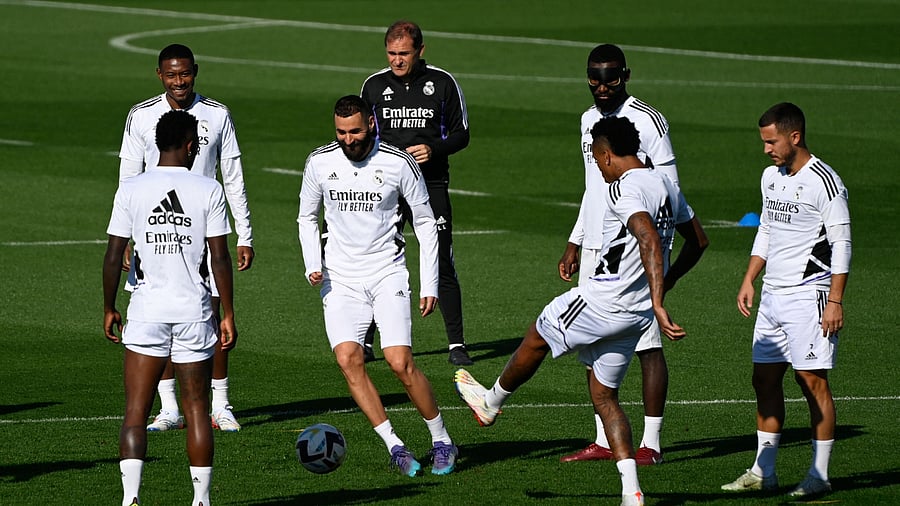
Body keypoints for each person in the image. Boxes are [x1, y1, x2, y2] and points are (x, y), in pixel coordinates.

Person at [455, 116, 694, 506]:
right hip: (634, 317)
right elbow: (698, 241)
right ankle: (631, 492)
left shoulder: (623, 187)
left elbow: (648, 236)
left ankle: (491, 403)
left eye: (598, 160)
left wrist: (659, 300)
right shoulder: (665, 184)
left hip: (603, 301)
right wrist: (663, 285)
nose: (598, 168)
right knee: (604, 398)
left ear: (605, 154)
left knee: (537, 335)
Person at [297, 95, 458, 477]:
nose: (348, 140)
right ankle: (395, 446)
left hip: (388, 272)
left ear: (371, 122)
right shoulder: (320, 162)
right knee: (348, 360)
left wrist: (429, 283)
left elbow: (424, 221)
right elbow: (306, 216)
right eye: (341, 132)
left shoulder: (398, 163)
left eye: (355, 131)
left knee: (399, 362)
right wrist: (312, 265)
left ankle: (442, 439)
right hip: (340, 278)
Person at [558, 43, 703, 466]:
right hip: (597, 246)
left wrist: (661, 264)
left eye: (611, 78)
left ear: (627, 75)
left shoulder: (649, 121)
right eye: (594, 78)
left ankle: (652, 444)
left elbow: (667, 192)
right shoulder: (588, 120)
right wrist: (576, 240)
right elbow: (592, 188)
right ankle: (605, 439)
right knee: (593, 335)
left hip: (638, 246)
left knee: (646, 343)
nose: (602, 87)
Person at [103, 109, 237, 506]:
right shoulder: (208, 189)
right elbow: (220, 258)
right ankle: (201, 502)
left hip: (146, 311)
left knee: (136, 410)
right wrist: (227, 311)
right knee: (197, 409)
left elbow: (113, 256)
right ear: (192, 145)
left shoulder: (132, 189)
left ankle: (130, 500)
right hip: (194, 312)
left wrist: (109, 306)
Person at [118, 43, 254, 432]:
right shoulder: (142, 116)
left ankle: (222, 404)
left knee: (213, 314)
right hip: (156, 230)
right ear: (159, 75)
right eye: (171, 75)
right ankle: (169, 409)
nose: (180, 82)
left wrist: (245, 232)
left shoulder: (217, 114)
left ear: (196, 70)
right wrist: (127, 235)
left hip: (206, 230)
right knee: (156, 316)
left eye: (186, 74)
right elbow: (129, 177)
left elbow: (234, 176)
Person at [722, 102, 850, 498]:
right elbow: (767, 230)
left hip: (809, 296)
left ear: (794, 137)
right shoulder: (770, 178)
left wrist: (835, 300)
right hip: (773, 297)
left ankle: (819, 474)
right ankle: (765, 471)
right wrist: (749, 279)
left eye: (771, 141)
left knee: (812, 382)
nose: (766, 149)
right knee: (764, 378)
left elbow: (842, 244)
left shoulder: (825, 182)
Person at [360, 20, 473, 366]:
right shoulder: (374, 86)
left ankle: (456, 343)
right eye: (392, 54)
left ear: (420, 51)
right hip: (385, 189)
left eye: (403, 54)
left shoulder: (443, 83)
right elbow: (363, 135)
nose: (396, 60)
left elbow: (462, 133)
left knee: (441, 258)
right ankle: (365, 340)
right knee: (372, 259)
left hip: (430, 184)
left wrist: (434, 149)